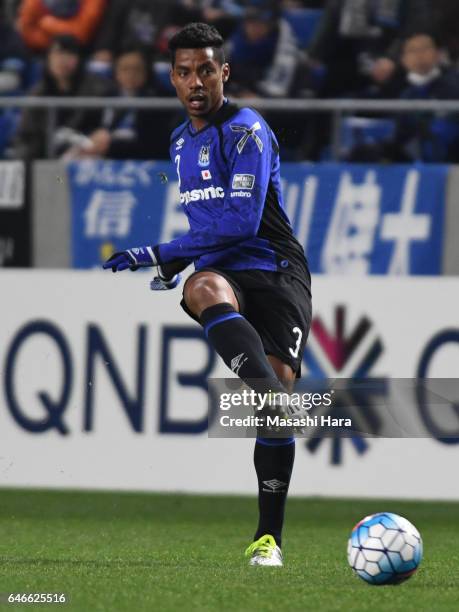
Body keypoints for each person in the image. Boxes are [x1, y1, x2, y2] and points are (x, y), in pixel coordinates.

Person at [102, 22, 312, 566]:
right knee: (203, 286)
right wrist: (179, 261)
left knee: (273, 417)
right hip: (222, 274)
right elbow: (208, 227)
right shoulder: (178, 142)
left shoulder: (247, 130)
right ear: (173, 78)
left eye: (206, 70)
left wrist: (158, 252)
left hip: (276, 269)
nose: (196, 81)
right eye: (185, 71)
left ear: (225, 73)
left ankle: (271, 538)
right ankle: (266, 397)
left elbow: (242, 221)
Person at [13, 35, 109, 160]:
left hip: (85, 160)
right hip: (48, 166)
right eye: (58, 53)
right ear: (48, 58)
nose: (63, 60)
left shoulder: (97, 91)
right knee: (56, 178)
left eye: (69, 54)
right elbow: (26, 137)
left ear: (79, 59)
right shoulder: (37, 95)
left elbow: (103, 128)